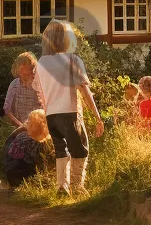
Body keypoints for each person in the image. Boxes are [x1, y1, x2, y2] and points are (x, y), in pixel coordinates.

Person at [33, 20, 104, 197]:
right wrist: (97, 117)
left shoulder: (41, 63)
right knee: (80, 148)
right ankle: (77, 186)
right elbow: (84, 90)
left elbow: (40, 94)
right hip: (70, 112)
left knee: (60, 150)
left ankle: (61, 186)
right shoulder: (72, 60)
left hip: (51, 115)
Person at [3, 109, 52, 188]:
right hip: (22, 177)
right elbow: (39, 161)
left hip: (11, 174)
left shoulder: (21, 133)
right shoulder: (29, 138)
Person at [2, 51, 44, 128]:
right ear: (20, 70)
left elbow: (45, 106)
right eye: (30, 69)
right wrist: (20, 126)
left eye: (34, 68)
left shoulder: (38, 84)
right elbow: (7, 109)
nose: (33, 72)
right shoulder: (14, 84)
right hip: (20, 127)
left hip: (38, 127)